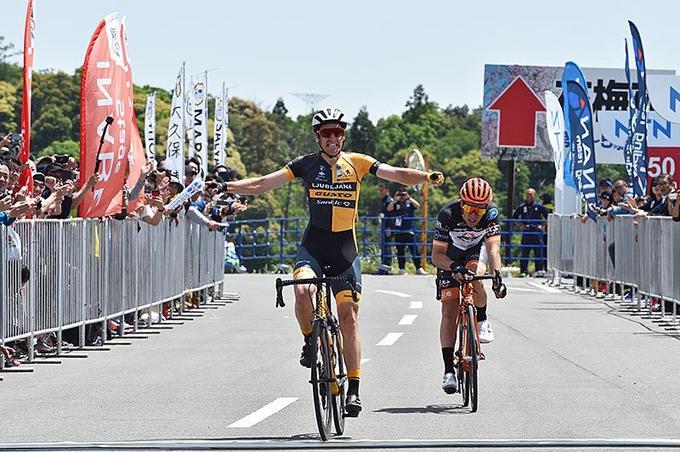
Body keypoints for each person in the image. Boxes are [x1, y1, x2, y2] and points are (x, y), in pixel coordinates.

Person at [224, 107, 444, 416]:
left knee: (348, 317)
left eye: (338, 132)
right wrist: (225, 186)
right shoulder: (305, 165)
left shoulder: (358, 163)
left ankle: (353, 389)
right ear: (318, 136)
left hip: (344, 251)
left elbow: (396, 173)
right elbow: (262, 183)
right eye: (327, 133)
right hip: (314, 247)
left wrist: (425, 177)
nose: (333, 138)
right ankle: (309, 341)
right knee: (301, 291)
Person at [431, 177, 507, 393]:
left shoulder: (491, 215)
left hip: (474, 253)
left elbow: (493, 250)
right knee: (449, 310)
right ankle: (448, 370)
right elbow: (436, 256)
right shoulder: (448, 214)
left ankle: (481, 320)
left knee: (476, 276)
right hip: (449, 257)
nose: (474, 214)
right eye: (469, 208)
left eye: (479, 210)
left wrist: (498, 275)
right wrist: (453, 267)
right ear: (461, 203)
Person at [387, 187, 427, 275]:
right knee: (400, 250)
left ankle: (418, 268)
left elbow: (417, 205)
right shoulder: (395, 203)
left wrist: (408, 197)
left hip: (410, 230)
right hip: (398, 230)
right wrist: (394, 200)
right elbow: (389, 209)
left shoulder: (409, 202)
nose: (402, 197)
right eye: (400, 195)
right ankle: (401, 269)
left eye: (403, 194)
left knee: (414, 250)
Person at [512, 188, 549, 276]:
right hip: (526, 232)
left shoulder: (539, 206)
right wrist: (520, 226)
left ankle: (539, 271)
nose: (529, 197)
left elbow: (548, 216)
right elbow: (514, 217)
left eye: (531, 195)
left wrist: (543, 226)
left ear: (534, 196)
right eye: (528, 194)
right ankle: (523, 271)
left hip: (536, 231)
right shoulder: (522, 206)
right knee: (525, 252)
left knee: (538, 252)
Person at [377, 183, 394, 275]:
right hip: (384, 225)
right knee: (384, 246)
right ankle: (383, 266)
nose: (380, 192)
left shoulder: (389, 200)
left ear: (387, 190)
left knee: (387, 246)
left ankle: (387, 266)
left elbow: (390, 215)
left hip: (388, 226)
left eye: (382, 190)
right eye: (379, 190)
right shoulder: (384, 200)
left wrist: (389, 227)